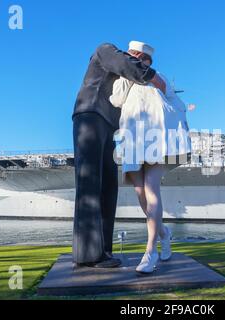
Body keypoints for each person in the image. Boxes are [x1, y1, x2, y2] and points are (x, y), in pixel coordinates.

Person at [72, 42, 166, 268]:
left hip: (108, 126)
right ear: (133, 53)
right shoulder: (105, 50)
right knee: (90, 185)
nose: (142, 62)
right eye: (141, 58)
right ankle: (88, 255)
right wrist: (155, 78)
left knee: (108, 188)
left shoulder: (126, 81)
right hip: (90, 115)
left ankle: (103, 251)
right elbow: (125, 64)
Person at [110, 41, 191, 273]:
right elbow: (116, 100)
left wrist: (136, 69)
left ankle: (150, 251)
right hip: (133, 138)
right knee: (141, 194)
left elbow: (166, 90)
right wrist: (126, 74)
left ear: (137, 56)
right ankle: (164, 234)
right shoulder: (124, 80)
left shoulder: (157, 76)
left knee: (151, 189)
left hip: (156, 138)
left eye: (133, 56)